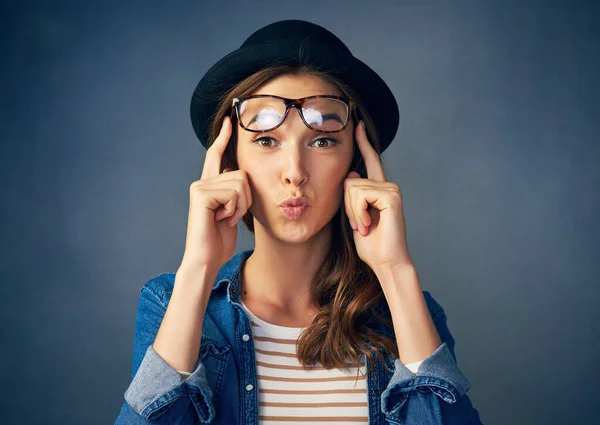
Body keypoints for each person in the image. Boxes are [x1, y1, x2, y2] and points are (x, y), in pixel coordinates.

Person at [114, 19, 483, 425]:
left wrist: (396, 272)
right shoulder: (170, 303)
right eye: (266, 141)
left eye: (323, 140)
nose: (295, 172)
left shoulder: (408, 313)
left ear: (353, 163)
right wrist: (198, 269)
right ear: (230, 162)